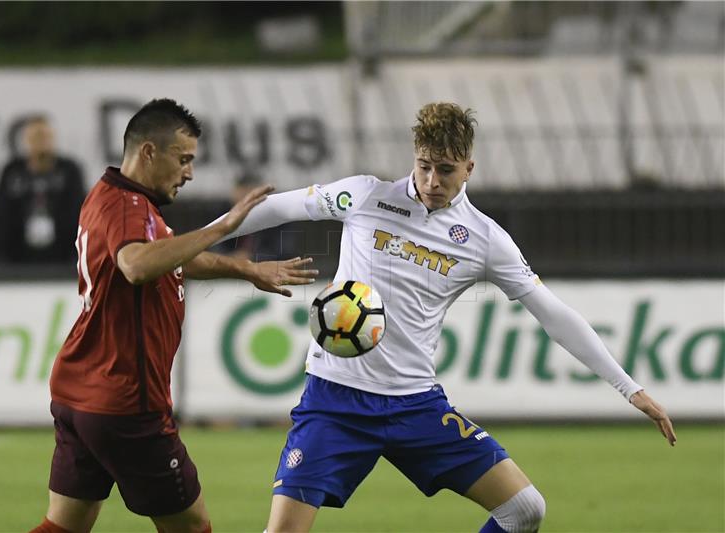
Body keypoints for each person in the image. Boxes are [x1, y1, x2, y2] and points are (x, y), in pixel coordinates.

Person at [212, 102, 677, 533]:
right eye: (424, 166)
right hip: (336, 400)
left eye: (446, 170)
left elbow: (552, 312)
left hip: (415, 404)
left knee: (525, 509)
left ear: (469, 168)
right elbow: (278, 207)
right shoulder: (365, 196)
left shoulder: (484, 239)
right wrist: (190, 240)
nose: (432, 180)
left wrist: (629, 388)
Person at [29, 99, 317, 533]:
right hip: (126, 401)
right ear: (148, 152)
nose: (189, 172)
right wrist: (223, 228)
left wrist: (245, 268)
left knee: (64, 526)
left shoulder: (111, 197)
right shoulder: (128, 207)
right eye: (183, 159)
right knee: (192, 525)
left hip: (80, 391)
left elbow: (169, 257)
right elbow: (138, 264)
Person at [0, 115, 86, 271]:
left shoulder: (69, 171)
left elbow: (82, 216)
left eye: (45, 136)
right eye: (36, 137)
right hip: (18, 260)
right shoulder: (12, 172)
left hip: (63, 259)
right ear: (26, 141)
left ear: (53, 139)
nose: (41, 142)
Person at [211, 170, 300, 262]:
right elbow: (212, 247)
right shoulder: (223, 214)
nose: (246, 200)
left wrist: (251, 258)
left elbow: (283, 252)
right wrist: (231, 257)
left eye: (251, 194)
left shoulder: (278, 216)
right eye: (242, 193)